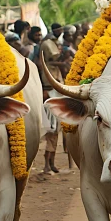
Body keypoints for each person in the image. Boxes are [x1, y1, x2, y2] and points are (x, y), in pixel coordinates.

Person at [40, 24, 67, 175]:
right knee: (51, 128)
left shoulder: (53, 42)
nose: (61, 32)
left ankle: (51, 162)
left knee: (56, 129)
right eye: (59, 30)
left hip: (56, 87)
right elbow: (54, 58)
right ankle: (46, 162)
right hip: (49, 89)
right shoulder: (47, 43)